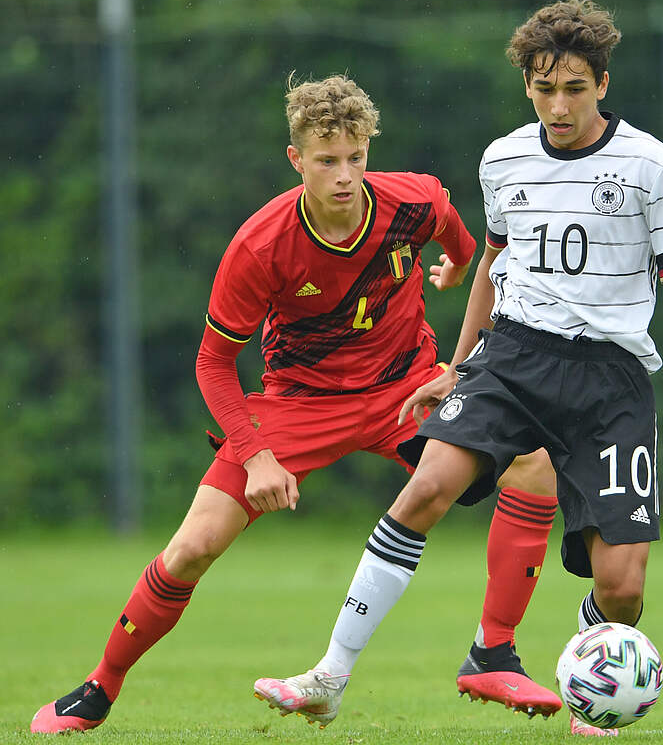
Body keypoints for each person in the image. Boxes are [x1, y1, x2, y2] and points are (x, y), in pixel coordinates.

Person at [254, 0, 663, 737]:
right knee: (427, 488)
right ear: (527, 86)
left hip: (609, 381)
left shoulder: (650, 166)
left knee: (622, 585)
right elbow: (491, 263)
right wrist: (456, 367)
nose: (559, 106)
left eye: (575, 88)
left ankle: (588, 675)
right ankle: (329, 675)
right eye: (545, 88)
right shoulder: (504, 158)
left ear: (603, 85)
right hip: (513, 358)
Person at [30, 74, 563, 734]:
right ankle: (99, 687)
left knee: (533, 463)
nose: (345, 176)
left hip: (405, 389)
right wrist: (255, 456)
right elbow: (212, 362)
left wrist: (454, 266)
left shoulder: (413, 200)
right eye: (327, 160)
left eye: (356, 157)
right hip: (298, 406)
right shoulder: (261, 245)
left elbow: (464, 243)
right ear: (296, 159)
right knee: (193, 547)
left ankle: (493, 651)